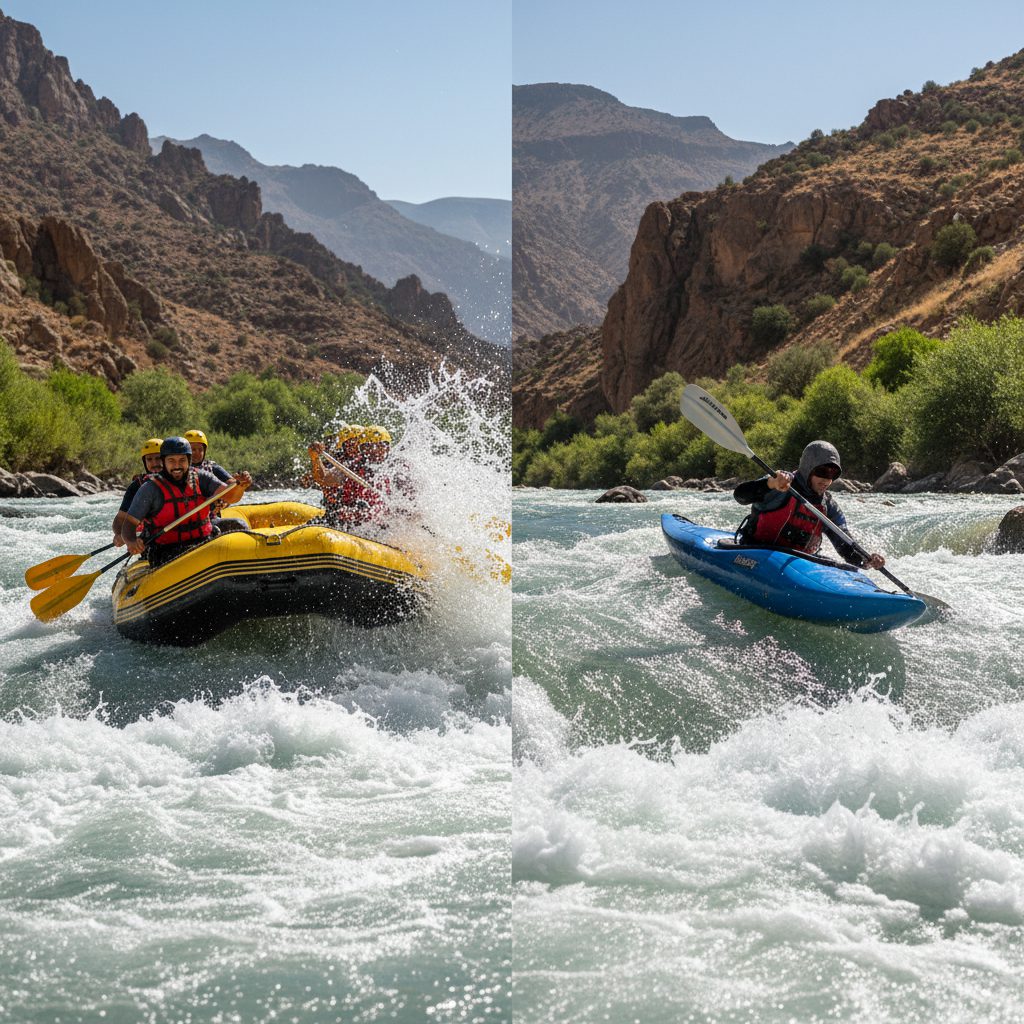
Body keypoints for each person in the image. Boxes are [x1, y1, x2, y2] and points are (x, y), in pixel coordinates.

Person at [733, 440, 885, 569]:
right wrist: (770, 484)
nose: (827, 480)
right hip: (756, 552)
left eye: (832, 475)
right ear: (808, 468)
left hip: (798, 564)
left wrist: (867, 560)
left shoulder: (828, 507)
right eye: (822, 472)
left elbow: (844, 545)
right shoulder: (782, 484)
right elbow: (740, 496)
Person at [120, 436, 252, 568]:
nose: (177, 466)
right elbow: (129, 524)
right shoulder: (150, 489)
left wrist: (240, 487)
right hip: (166, 549)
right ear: (164, 462)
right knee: (192, 554)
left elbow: (230, 497)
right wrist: (131, 541)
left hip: (203, 540)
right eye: (171, 461)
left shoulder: (201, 477)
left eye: (182, 460)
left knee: (238, 525)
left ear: (189, 460)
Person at [307, 424, 390, 530]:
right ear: (363, 448)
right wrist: (315, 458)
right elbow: (325, 479)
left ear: (387, 448)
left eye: (380, 445)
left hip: (379, 524)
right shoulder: (353, 465)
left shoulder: (394, 467)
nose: (374, 450)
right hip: (350, 520)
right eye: (368, 446)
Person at [112, 438, 164, 547]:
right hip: (153, 539)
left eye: (158, 458)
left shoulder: (180, 478)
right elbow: (120, 519)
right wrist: (119, 534)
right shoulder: (137, 486)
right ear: (144, 462)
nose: (154, 463)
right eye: (149, 459)